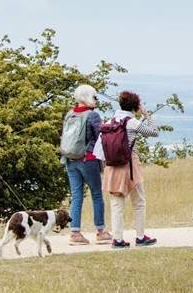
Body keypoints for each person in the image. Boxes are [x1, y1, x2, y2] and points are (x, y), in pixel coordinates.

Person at [102, 90, 161, 247]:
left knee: (116, 204)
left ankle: (118, 239)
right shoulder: (131, 122)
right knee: (139, 201)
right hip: (129, 165)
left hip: (112, 166)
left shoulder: (110, 121)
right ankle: (140, 236)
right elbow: (154, 132)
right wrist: (147, 115)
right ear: (135, 106)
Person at [61, 84, 109, 246]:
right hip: (88, 159)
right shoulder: (93, 116)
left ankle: (75, 233)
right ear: (88, 96)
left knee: (76, 196)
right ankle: (101, 231)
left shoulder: (70, 114)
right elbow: (100, 136)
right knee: (96, 194)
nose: (96, 100)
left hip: (70, 159)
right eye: (94, 97)